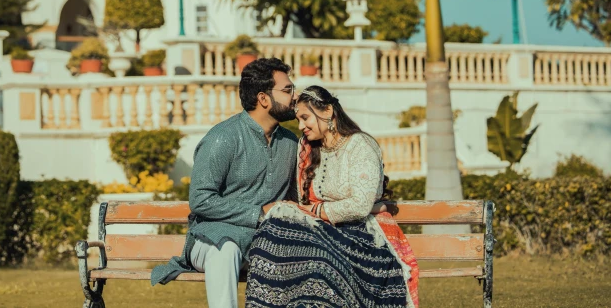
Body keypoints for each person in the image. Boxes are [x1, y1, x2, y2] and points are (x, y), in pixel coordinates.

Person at [245, 85, 419, 308]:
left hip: (361, 236)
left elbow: (359, 206)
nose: (301, 126)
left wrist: (316, 211)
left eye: (305, 117)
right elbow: (302, 202)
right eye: (298, 120)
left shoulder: (360, 145)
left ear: (327, 111)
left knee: (319, 265)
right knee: (269, 243)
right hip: (321, 231)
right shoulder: (307, 149)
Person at [151, 58, 300, 308]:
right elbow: (200, 200)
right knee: (227, 248)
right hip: (211, 241)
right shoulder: (223, 138)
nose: (295, 96)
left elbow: (294, 198)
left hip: (262, 243)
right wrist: (258, 213)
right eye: (287, 90)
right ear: (263, 99)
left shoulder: (290, 143)